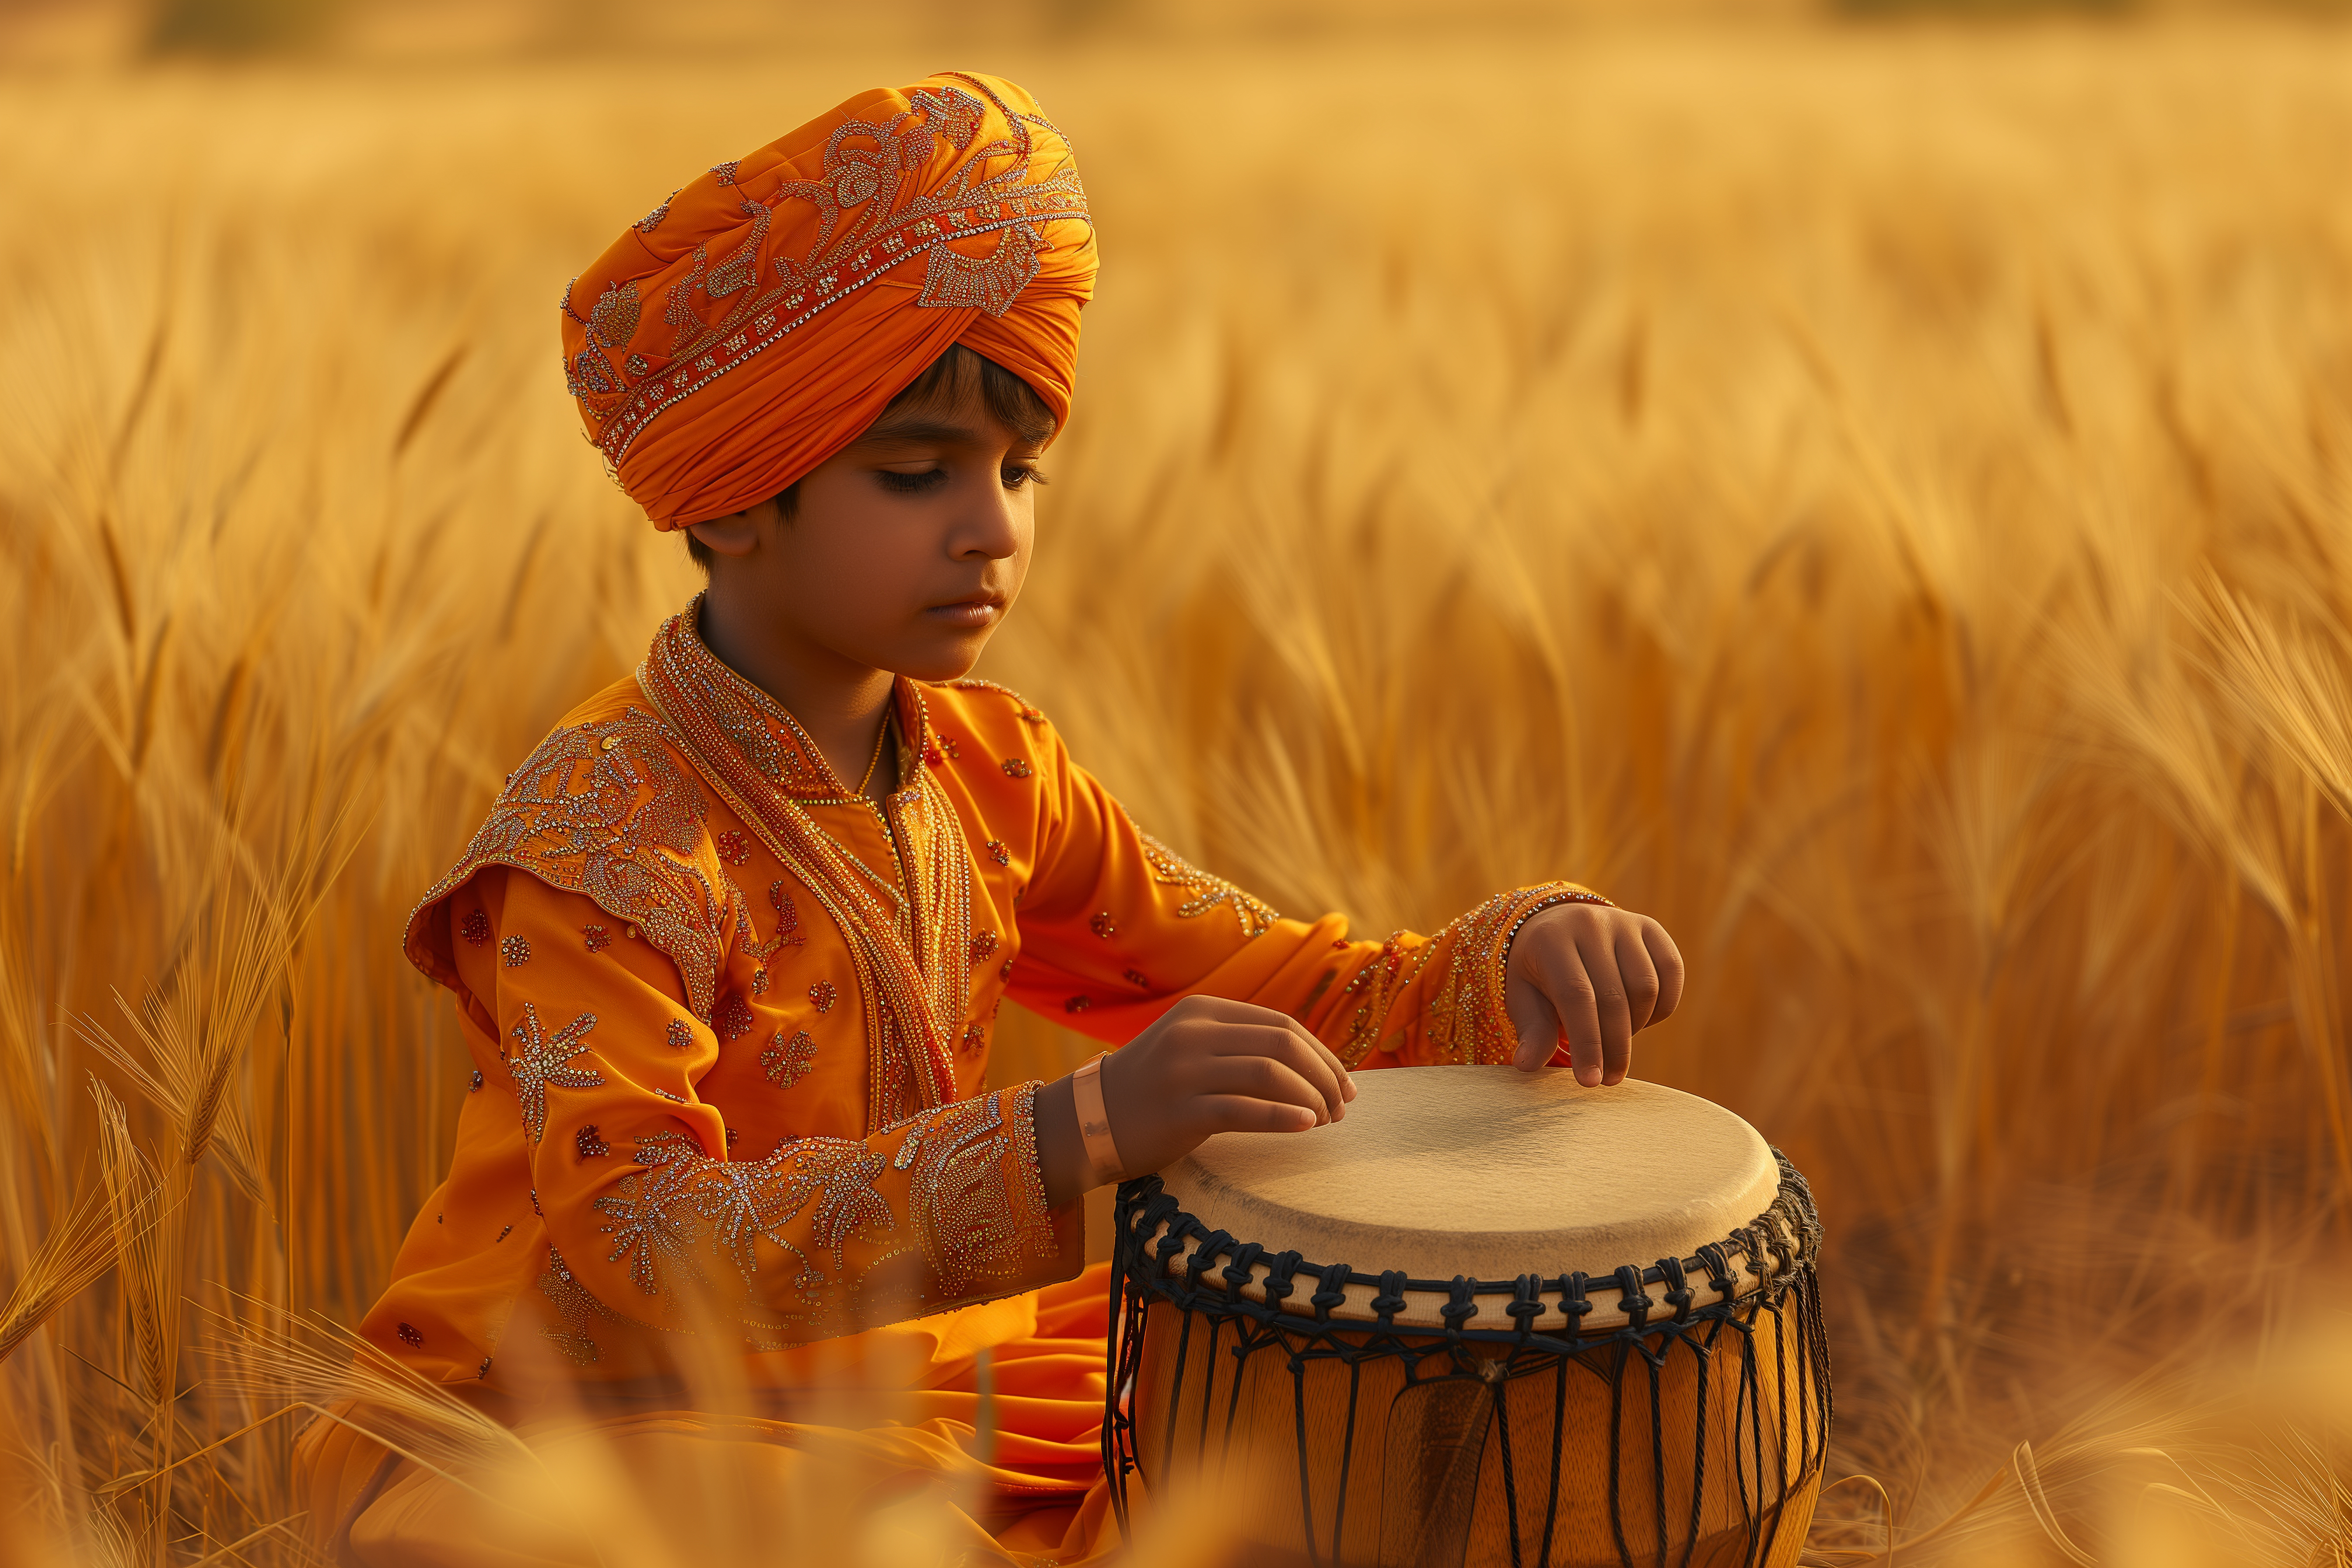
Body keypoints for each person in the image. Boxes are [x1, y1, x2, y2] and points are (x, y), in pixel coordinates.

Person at [295, 71, 1686, 1567]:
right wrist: (1080, 1129)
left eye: (1021, 470)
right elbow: (645, 1236)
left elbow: (1286, 992)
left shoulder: (995, 769)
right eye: (917, 474)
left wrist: (1517, 953)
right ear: (732, 503)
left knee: (1340, 1401)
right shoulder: (598, 832)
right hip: (577, 1427)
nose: (995, 527)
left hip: (903, 1388)